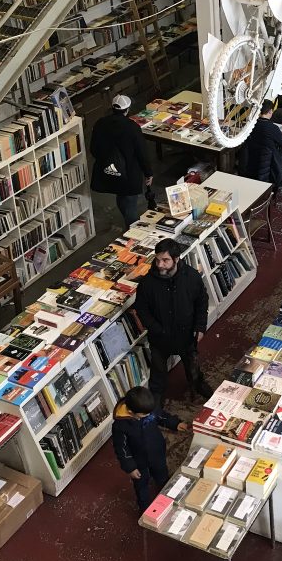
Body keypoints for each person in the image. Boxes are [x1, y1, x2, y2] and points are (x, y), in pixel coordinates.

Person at [133, 238, 213, 405]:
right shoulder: (148, 283)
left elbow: (201, 301)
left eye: (165, 260)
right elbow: (142, 309)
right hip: (160, 338)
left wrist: (200, 327)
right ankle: (156, 401)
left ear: (176, 259)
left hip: (187, 334)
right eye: (158, 259)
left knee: (192, 365)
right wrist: (156, 329)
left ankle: (197, 384)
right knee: (158, 371)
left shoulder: (191, 276)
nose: (160, 264)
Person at [112, 385, 189, 513]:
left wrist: (175, 423)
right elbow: (121, 448)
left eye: (150, 413)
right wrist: (130, 467)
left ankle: (167, 495)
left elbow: (161, 416)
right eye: (145, 415)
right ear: (131, 412)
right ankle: (145, 509)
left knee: (162, 476)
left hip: (157, 452)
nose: (149, 415)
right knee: (141, 486)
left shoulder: (148, 408)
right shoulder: (120, 426)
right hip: (138, 462)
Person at [90, 95, 153, 229]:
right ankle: (133, 232)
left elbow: (93, 149)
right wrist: (148, 173)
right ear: (127, 109)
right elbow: (142, 153)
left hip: (109, 169)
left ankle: (129, 224)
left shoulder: (100, 123)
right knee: (130, 203)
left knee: (121, 196)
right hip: (129, 173)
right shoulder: (132, 127)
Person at [244, 99, 282, 188]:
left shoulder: (250, 125)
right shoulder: (272, 128)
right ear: (270, 111)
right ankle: (281, 181)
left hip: (252, 158)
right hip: (271, 160)